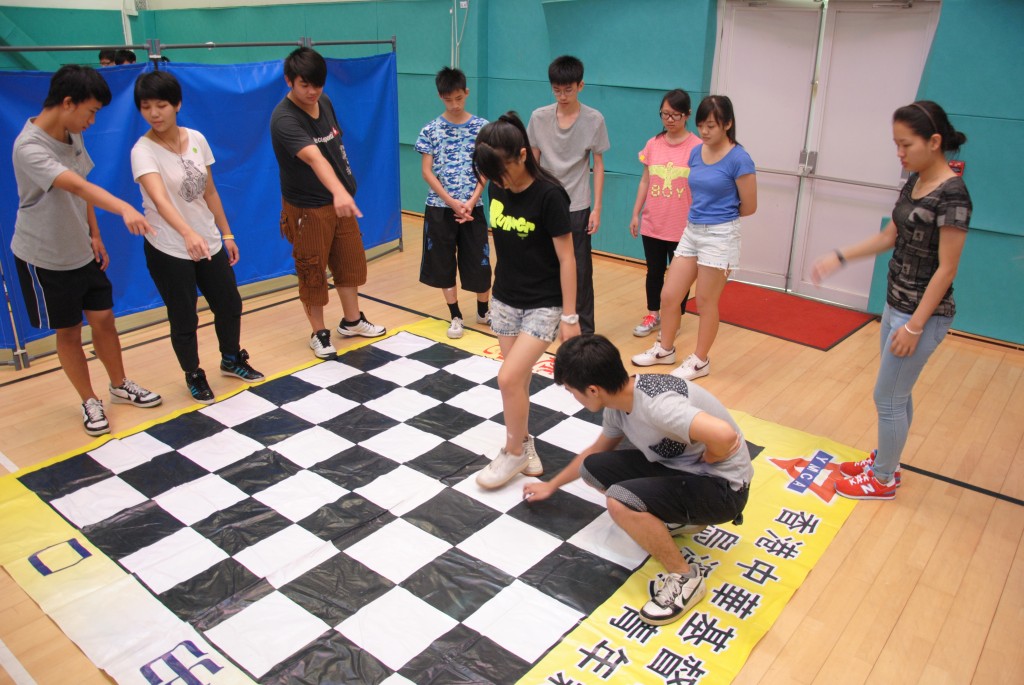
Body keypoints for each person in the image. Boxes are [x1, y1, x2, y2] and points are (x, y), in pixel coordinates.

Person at [524, 334, 752, 625]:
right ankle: (676, 519)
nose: (574, 397)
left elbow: (724, 435)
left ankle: (685, 578)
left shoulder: (658, 405)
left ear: (593, 390)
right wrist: (551, 485)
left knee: (620, 502)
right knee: (593, 468)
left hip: (725, 489)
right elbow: (595, 452)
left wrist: (712, 456)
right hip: (685, 474)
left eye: (572, 391)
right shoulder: (620, 402)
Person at [812, 101, 971, 501]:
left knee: (888, 397)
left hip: (922, 316)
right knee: (898, 393)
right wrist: (840, 256)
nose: (899, 153)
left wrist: (915, 326)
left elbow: (947, 269)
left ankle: (882, 479)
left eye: (906, 144)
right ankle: (888, 460)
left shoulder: (953, 195)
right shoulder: (915, 181)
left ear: (934, 142)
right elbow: (889, 237)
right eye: (896, 144)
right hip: (895, 304)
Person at [10, 65, 161, 436]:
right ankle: (89, 399)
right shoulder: (29, 147)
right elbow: (74, 186)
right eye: (90, 111)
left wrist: (95, 234)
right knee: (69, 331)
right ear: (67, 103)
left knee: (104, 319)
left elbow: (83, 184)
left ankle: (119, 384)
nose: (92, 121)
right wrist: (124, 208)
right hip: (44, 256)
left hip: (81, 248)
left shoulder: (71, 132)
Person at [130, 71, 264, 405]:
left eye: (161, 105)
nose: (154, 113)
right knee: (184, 316)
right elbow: (160, 199)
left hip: (207, 240)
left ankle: (231, 359)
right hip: (168, 247)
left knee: (229, 303)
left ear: (177, 104)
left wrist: (226, 233)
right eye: (146, 107)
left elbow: (210, 191)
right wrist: (187, 233)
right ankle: (193, 373)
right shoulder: (142, 151)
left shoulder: (196, 139)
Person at [472, 112, 580, 489]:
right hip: (505, 298)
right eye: (492, 175)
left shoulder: (550, 195)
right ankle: (525, 443)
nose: (499, 181)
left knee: (507, 377)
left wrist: (570, 316)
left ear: (522, 155)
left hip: (543, 303)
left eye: (502, 171)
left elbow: (568, 258)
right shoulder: (497, 187)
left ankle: (513, 452)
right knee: (517, 381)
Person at [269, 46, 386, 359]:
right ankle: (318, 332)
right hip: (308, 208)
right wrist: (338, 192)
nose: (312, 92)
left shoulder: (324, 102)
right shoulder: (284, 119)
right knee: (312, 272)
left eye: (318, 84)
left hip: (340, 203)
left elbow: (334, 148)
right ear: (289, 81)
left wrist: (343, 192)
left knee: (349, 262)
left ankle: (352, 321)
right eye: (305, 85)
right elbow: (315, 158)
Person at [631, 95, 757, 380]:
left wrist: (719, 215)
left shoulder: (739, 158)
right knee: (669, 295)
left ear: (727, 124)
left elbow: (749, 206)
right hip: (692, 230)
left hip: (720, 233)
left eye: (711, 126)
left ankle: (700, 360)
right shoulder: (697, 153)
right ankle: (665, 349)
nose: (705, 131)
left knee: (705, 301)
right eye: (701, 125)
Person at [526, 55, 609, 335]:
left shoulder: (594, 119)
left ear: (580, 86)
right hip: (545, 204)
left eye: (568, 90)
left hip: (577, 206)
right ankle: (543, 325)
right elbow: (533, 161)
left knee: (580, 271)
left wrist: (597, 208)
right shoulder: (539, 117)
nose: (562, 96)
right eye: (557, 90)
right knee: (542, 265)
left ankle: (584, 332)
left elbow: (598, 165)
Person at [414, 67, 491, 339]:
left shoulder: (482, 128)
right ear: (440, 97)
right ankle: (455, 315)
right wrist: (450, 201)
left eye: (459, 98)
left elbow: (486, 168)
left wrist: (472, 200)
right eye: (448, 100)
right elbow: (427, 172)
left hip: (473, 208)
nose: (455, 104)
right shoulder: (430, 130)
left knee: (479, 261)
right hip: (440, 208)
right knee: (443, 262)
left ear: (466, 93)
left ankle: (483, 311)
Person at [629, 89, 701, 337]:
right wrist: (636, 213)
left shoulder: (697, 147)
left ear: (687, 115)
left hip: (683, 226)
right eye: (665, 114)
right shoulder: (653, 144)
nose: (669, 119)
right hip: (653, 223)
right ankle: (654, 314)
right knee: (654, 272)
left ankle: (674, 320)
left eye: (675, 115)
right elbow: (645, 181)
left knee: (680, 277)